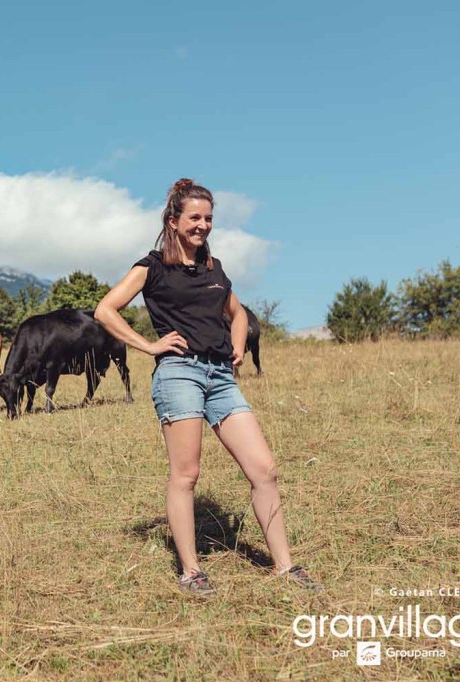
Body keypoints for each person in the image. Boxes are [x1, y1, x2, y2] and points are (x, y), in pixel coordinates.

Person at [94, 178, 321, 596]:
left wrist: (237, 347)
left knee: (264, 470)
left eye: (209, 218)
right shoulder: (152, 267)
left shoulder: (215, 270)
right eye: (194, 217)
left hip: (220, 377)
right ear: (174, 220)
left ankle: (285, 567)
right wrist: (148, 345)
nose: (203, 225)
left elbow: (238, 314)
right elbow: (105, 310)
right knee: (186, 474)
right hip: (179, 373)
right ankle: (191, 571)